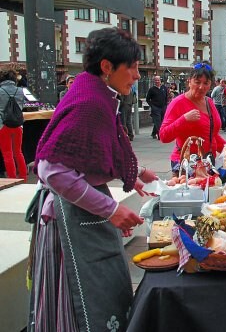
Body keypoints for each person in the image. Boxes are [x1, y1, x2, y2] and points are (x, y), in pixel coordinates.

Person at [28, 27, 159, 332]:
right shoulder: (90, 101)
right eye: (133, 67)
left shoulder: (96, 92)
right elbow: (52, 168)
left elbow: (94, 149)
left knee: (103, 293)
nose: (137, 75)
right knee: (86, 304)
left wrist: (135, 174)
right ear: (106, 67)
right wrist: (111, 209)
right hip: (72, 218)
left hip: (83, 213)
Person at [160, 62, 226, 175]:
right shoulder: (178, 103)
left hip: (208, 163)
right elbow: (163, 136)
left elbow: (212, 134)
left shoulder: (209, 102)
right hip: (187, 166)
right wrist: (184, 119)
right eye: (197, 82)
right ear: (189, 81)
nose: (201, 87)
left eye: (206, 83)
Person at [0, 63, 27, 180]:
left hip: (3, 125)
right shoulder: (21, 90)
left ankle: (12, 179)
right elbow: (27, 104)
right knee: (18, 151)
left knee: (7, 153)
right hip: (18, 124)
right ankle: (23, 176)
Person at [146, 75, 168, 139]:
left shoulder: (164, 88)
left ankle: (153, 133)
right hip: (156, 108)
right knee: (158, 122)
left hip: (163, 107)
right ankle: (160, 135)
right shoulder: (151, 89)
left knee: (161, 121)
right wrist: (152, 106)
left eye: (158, 80)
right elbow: (148, 99)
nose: (157, 81)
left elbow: (166, 97)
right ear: (154, 81)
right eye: (156, 80)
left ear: (160, 81)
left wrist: (165, 105)